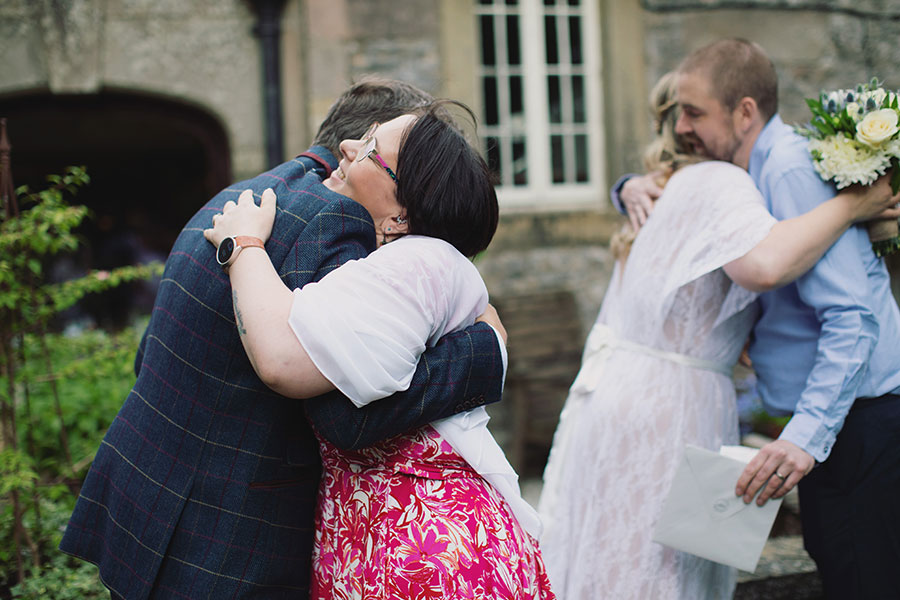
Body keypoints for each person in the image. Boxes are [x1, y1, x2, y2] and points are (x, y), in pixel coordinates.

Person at [59, 80, 508, 599]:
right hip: (225, 538)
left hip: (148, 495)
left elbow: (151, 354)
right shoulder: (336, 223)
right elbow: (349, 412)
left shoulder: (248, 192)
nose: (353, 149)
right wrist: (482, 351)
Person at [537, 71, 900, 599]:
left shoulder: (659, 193)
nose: (688, 123)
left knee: (616, 553)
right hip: (680, 407)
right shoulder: (722, 184)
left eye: (696, 112)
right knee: (673, 572)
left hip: (618, 398)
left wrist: (625, 187)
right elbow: (766, 266)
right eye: (684, 114)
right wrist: (851, 206)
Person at [204, 103, 554, 599]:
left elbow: (284, 360)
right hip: (390, 540)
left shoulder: (415, 263)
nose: (346, 147)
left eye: (369, 150)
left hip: (426, 553)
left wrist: (242, 246)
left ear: (401, 213)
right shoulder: (404, 262)